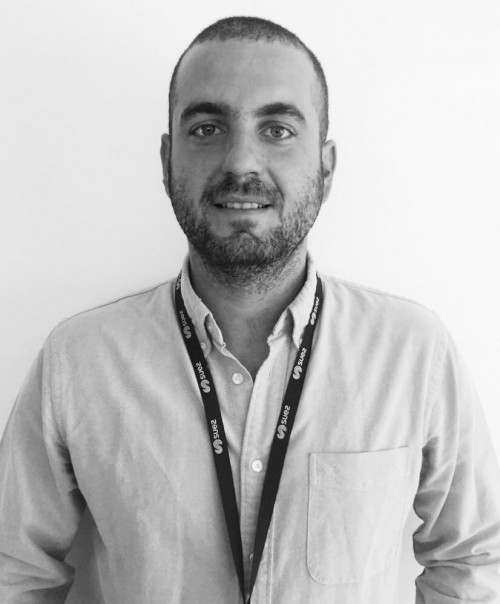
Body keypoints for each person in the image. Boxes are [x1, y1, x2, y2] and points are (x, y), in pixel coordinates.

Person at [1, 15, 499, 604]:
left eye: (278, 129)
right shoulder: (76, 362)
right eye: (207, 128)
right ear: (166, 161)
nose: (241, 162)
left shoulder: (413, 352)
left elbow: (475, 560)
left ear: (326, 167)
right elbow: (15, 574)